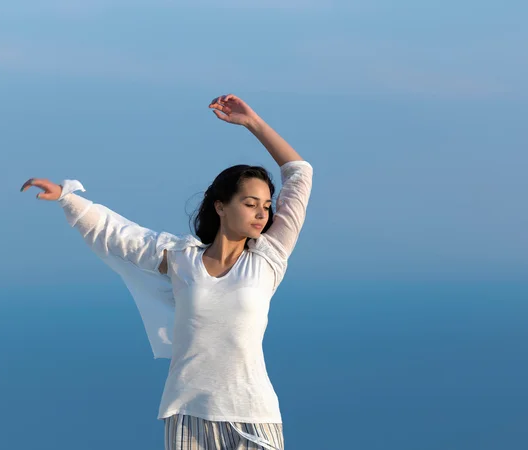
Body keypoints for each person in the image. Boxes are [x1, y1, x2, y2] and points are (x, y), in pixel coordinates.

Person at [20, 94, 313, 450]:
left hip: (253, 417)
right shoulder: (181, 258)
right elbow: (120, 235)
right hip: (187, 416)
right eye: (250, 204)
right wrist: (68, 197)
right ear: (221, 206)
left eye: (267, 206)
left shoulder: (268, 258)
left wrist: (253, 123)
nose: (262, 213)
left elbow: (300, 174)